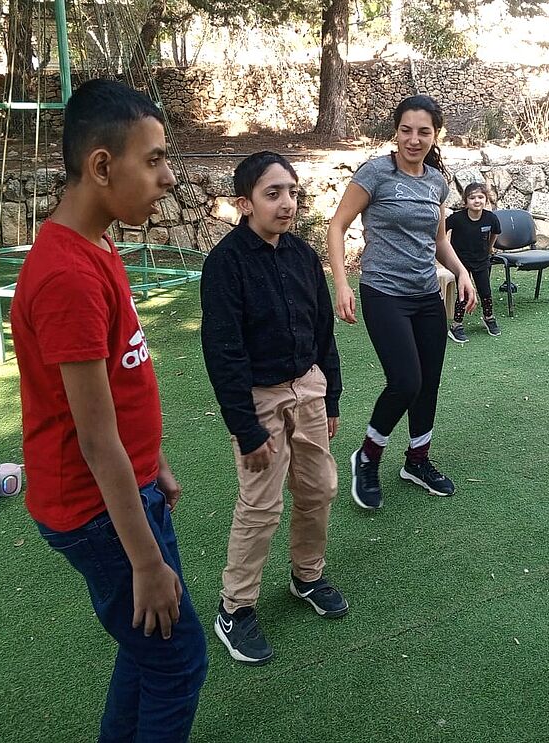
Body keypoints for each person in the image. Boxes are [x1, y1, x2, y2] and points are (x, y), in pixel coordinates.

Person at [11, 79, 207, 741]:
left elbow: (118, 383)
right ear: (101, 166)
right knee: (178, 661)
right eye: (153, 160)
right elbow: (95, 440)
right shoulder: (66, 275)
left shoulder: (97, 242)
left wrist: (154, 462)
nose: (168, 178)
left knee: (147, 646)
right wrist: (146, 563)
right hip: (96, 511)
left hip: (125, 489)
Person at [200, 151, 348, 666]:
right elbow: (223, 352)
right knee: (261, 505)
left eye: (292, 192)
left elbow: (323, 330)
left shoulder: (303, 255)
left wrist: (330, 396)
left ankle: (307, 576)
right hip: (259, 401)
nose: (287, 203)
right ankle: (235, 608)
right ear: (244, 204)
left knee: (319, 488)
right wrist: (246, 428)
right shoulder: (225, 265)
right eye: (273, 194)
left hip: (308, 388)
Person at [327, 94, 477, 510]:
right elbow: (337, 226)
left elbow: (439, 240)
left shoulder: (436, 182)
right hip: (384, 293)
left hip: (427, 295)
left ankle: (417, 460)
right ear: (396, 132)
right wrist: (341, 283)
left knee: (428, 383)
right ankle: (368, 456)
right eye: (406, 130)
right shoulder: (375, 173)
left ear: (435, 135)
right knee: (406, 381)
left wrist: (462, 272)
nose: (414, 139)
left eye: (423, 132)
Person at [446, 182, 502, 342]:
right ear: (465, 201)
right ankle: (456, 326)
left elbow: (495, 233)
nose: (476, 201)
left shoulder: (491, 218)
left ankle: (489, 318)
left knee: (485, 292)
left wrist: (489, 248)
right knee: (463, 293)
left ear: (486, 200)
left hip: (481, 261)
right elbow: (440, 233)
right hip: (460, 263)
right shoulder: (456, 219)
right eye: (472, 198)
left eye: (480, 197)